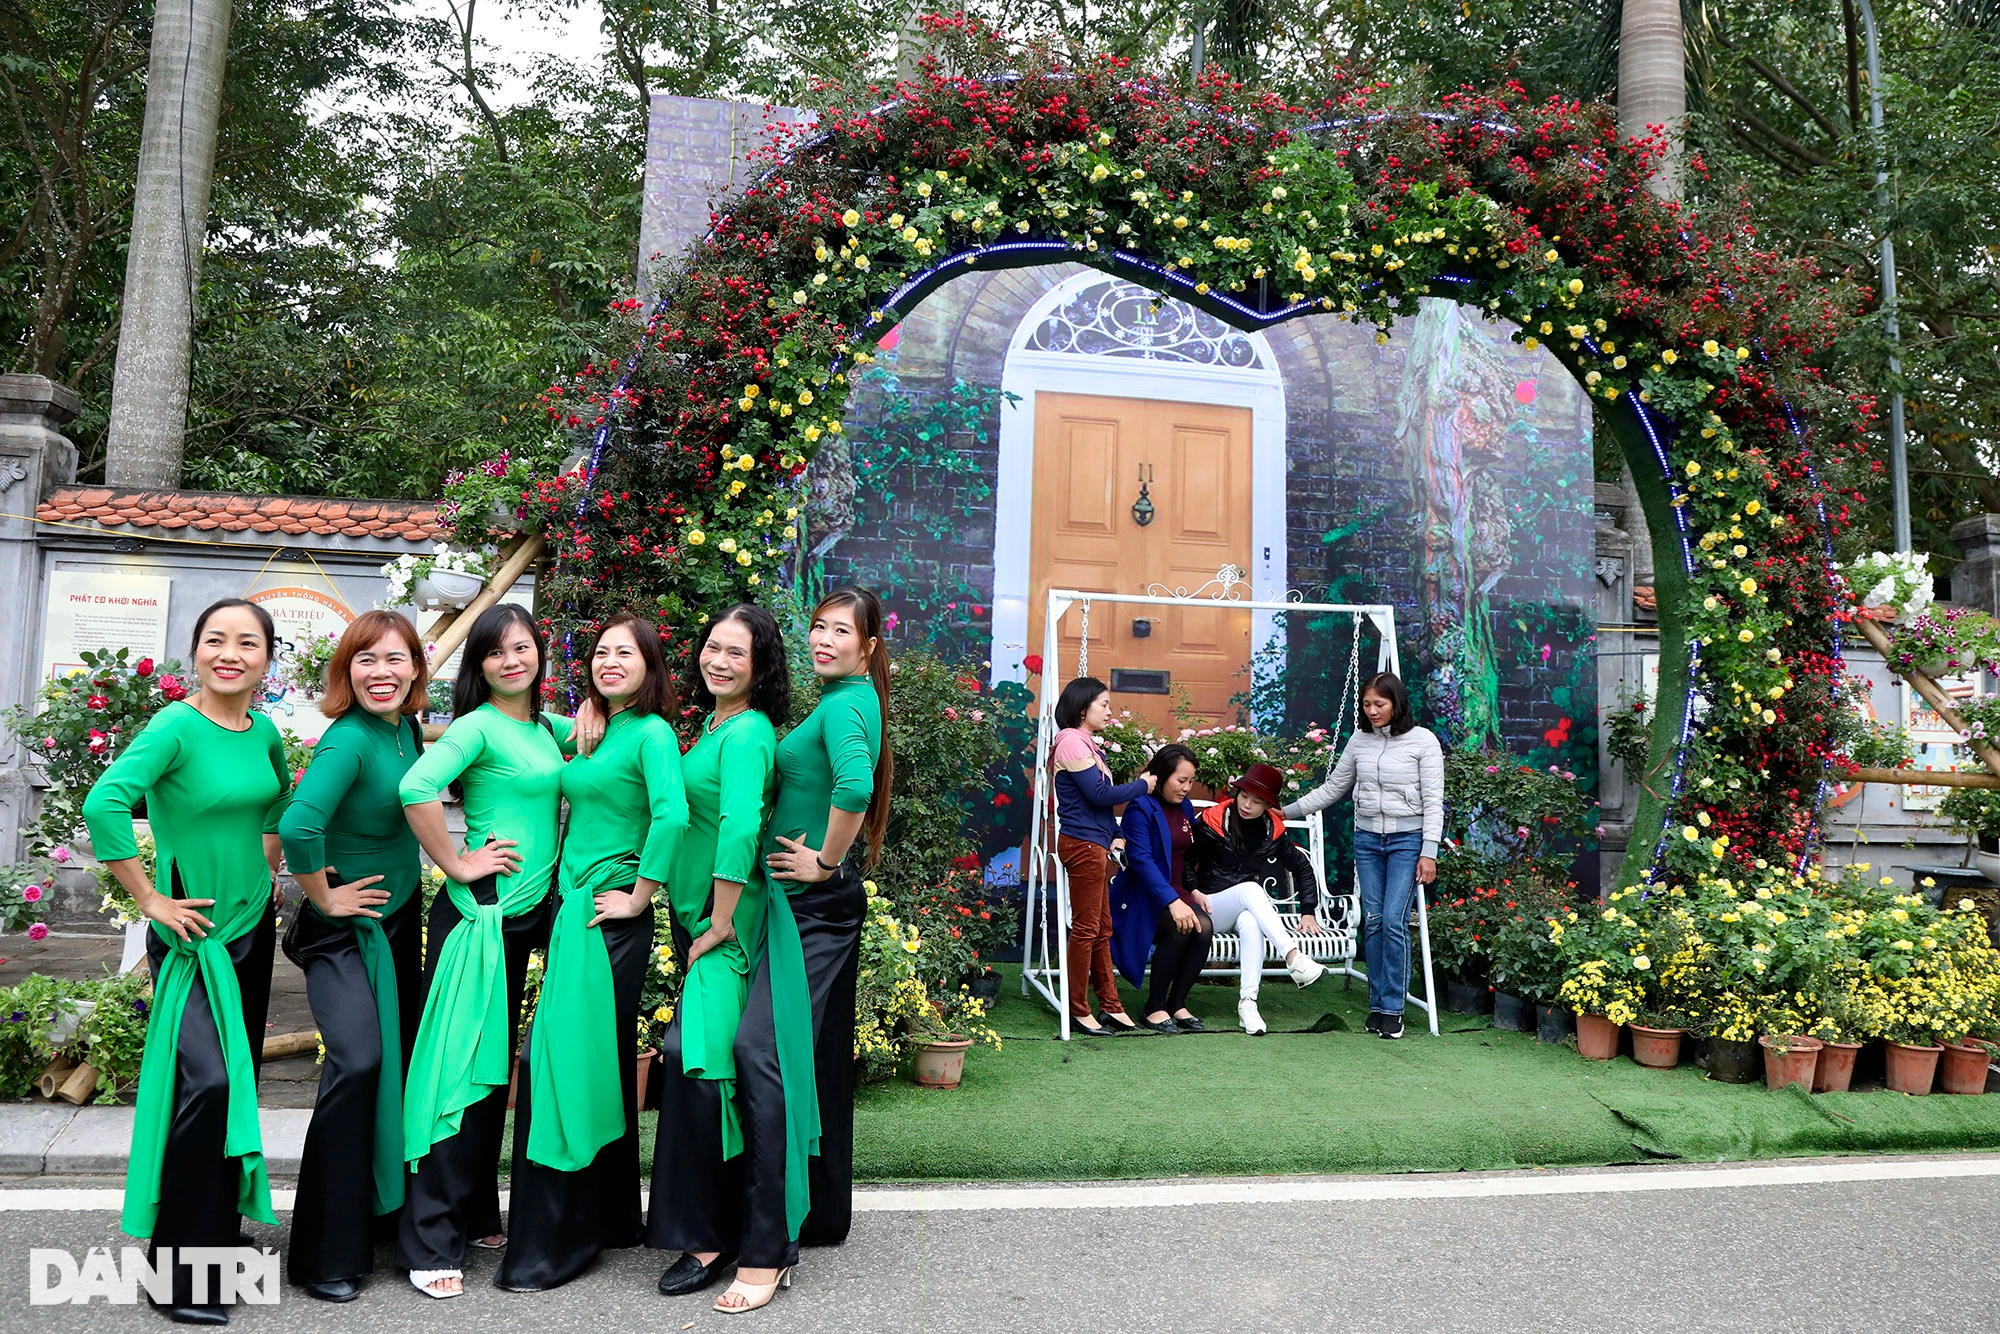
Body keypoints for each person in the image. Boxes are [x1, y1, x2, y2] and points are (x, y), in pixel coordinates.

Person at [83, 598, 291, 1325]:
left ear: (267, 659)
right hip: (194, 936)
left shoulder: (264, 730)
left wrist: (266, 868)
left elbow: (277, 802)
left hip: (250, 928)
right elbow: (105, 803)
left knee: (235, 1082)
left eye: (247, 643)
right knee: (205, 1085)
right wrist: (149, 899)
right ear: (196, 651)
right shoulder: (174, 726)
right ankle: (177, 1272)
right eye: (215, 640)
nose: (230, 654)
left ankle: (214, 1232)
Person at [497, 614, 688, 1291]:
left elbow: (672, 814)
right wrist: (584, 709)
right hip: (573, 912)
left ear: (650, 665)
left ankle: (559, 1240)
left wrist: (641, 896)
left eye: (625, 654)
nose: (610, 662)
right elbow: (530, 725)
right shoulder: (591, 728)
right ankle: (610, 1217)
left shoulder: (653, 733)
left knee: (560, 1066)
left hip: (610, 917)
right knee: (594, 1062)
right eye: (601, 653)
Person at [396, 604, 572, 1297]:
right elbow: (414, 787)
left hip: (529, 917)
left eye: (522, 647)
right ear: (480, 664)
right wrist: (456, 863)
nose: (510, 661)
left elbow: (596, 736)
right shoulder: (475, 725)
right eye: (495, 652)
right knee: (459, 1076)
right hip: (481, 917)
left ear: (539, 653)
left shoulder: (544, 727)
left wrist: (594, 714)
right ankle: (430, 1242)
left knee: (493, 1075)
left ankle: (471, 1215)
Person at [647, 604, 817, 1317]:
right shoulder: (714, 726)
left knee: (702, 1063)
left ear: (761, 666)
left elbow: (741, 824)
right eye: (712, 647)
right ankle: (718, 1229)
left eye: (736, 653)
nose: (718, 661)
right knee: (706, 1068)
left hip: (729, 926)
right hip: (699, 920)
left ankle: (731, 1239)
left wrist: (718, 920)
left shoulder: (746, 732)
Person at [278, 610, 431, 1302]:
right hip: (344, 931)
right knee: (358, 1062)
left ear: (416, 669)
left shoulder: (406, 730)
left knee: (394, 1067)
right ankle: (322, 1254)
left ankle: (377, 1218)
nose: (382, 672)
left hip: (394, 924)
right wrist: (323, 896)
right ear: (347, 671)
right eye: (366, 659)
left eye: (396, 659)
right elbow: (299, 824)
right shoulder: (347, 739)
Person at [763, 588, 891, 1251]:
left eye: (840, 631)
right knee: (812, 1056)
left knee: (782, 1053)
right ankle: (817, 1212)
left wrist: (826, 862)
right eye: (818, 627)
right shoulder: (846, 698)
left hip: (812, 904)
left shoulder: (845, 704)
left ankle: (793, 1215)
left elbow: (855, 786)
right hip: (810, 905)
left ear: (868, 646)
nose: (823, 639)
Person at [1283, 672, 1444, 1040]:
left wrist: (1429, 852)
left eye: (1379, 704)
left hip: (1408, 841)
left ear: (1396, 703)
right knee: (1372, 921)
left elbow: (1434, 802)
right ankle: (1377, 1005)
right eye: (1367, 704)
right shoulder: (1360, 740)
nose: (1372, 711)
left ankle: (1393, 1008)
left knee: (1392, 921)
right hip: (1368, 840)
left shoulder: (1423, 741)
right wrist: (1285, 812)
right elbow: (1333, 788)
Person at [1050, 678, 1156, 1037]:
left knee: (1101, 929)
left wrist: (1115, 834)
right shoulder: (1070, 740)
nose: (1110, 711)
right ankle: (1078, 1010)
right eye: (1104, 704)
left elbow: (1097, 807)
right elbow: (1098, 795)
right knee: (1086, 929)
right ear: (1083, 708)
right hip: (1082, 846)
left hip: (1093, 845)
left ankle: (1110, 1005)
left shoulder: (1085, 743)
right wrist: (1142, 785)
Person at [1189, 762, 1327, 1036]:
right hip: (1205, 907)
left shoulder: (1272, 830)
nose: (1247, 804)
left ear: (1268, 805)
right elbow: (1185, 861)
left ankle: (1248, 1004)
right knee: (1251, 889)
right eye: (1244, 796)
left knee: (1251, 922)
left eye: (1257, 801)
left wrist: (1308, 911)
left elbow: (1301, 867)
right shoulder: (1213, 820)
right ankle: (1293, 957)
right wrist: (1193, 890)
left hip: (1238, 910)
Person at [1107, 745, 1210, 1034]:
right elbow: (1141, 860)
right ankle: (1154, 1007)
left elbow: (1186, 856)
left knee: (1203, 928)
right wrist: (1172, 901)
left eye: (1191, 781)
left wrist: (1192, 889)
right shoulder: (1140, 808)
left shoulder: (1184, 807)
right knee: (1179, 927)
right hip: (1142, 896)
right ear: (1162, 775)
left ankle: (1177, 1004)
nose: (1187, 788)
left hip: (1176, 890)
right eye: (1181, 780)